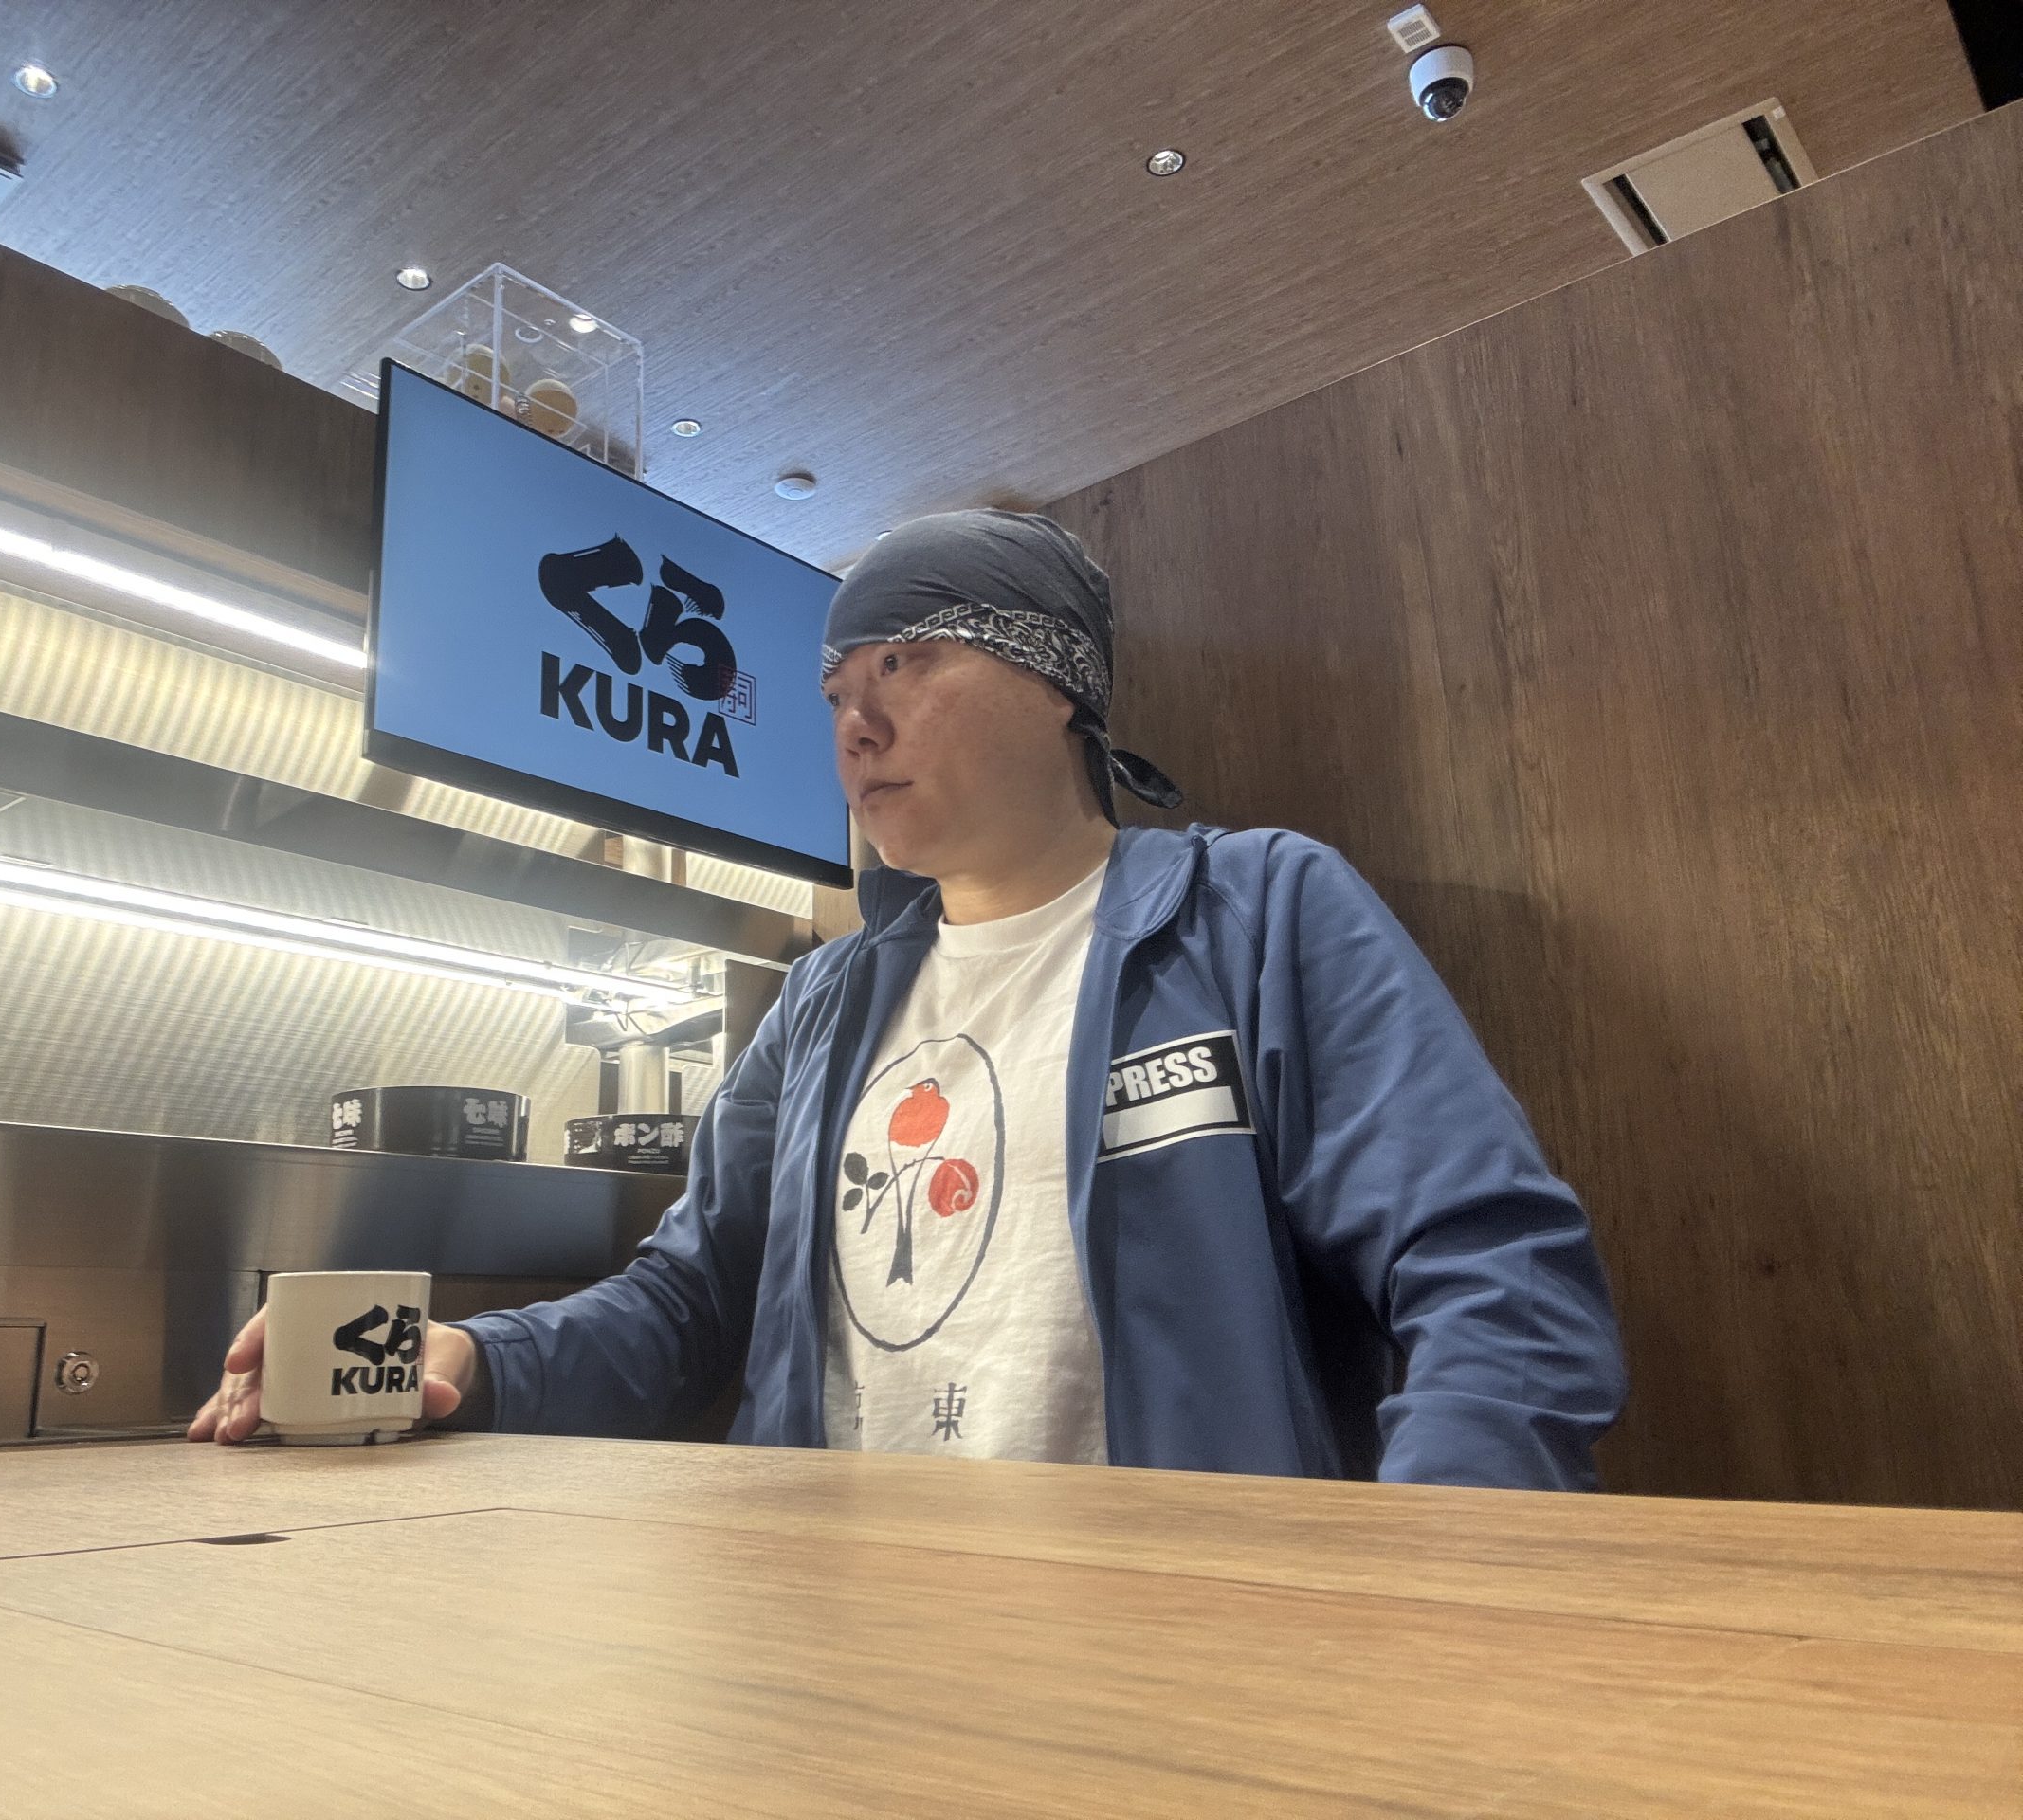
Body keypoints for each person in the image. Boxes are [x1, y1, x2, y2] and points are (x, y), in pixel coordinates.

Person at [194, 509, 1628, 1488]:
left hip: (1184, 1649)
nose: (856, 725)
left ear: (1059, 685)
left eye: (908, 663)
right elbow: (690, 1302)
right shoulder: (824, 1002)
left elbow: (1492, 1271)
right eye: (834, 692)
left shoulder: (1255, 913)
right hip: (838, 1645)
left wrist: (1437, 1569)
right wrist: (465, 1357)